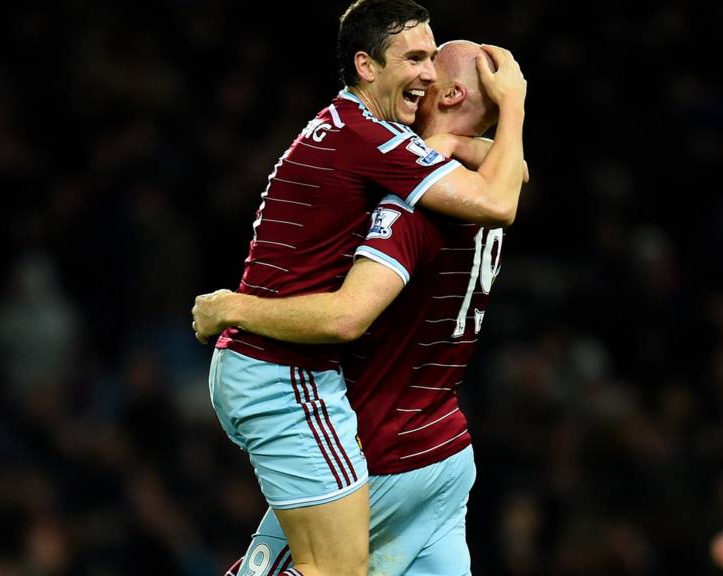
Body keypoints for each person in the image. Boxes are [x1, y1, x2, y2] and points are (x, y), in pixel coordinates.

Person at [202, 0, 527, 572]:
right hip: (409, 425)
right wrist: (507, 110)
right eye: (414, 58)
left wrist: (232, 305)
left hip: (382, 432)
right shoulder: (399, 154)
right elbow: (512, 178)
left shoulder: (408, 194)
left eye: (432, 62)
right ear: (367, 65)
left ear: (447, 95)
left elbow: (349, 316)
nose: (426, 75)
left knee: (332, 567)